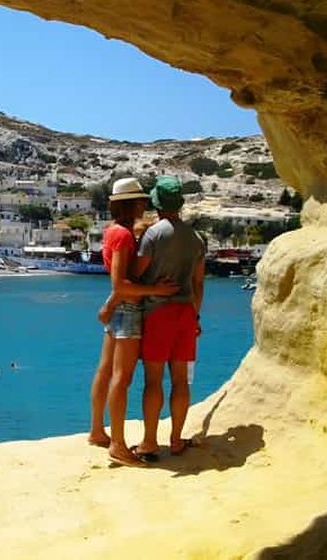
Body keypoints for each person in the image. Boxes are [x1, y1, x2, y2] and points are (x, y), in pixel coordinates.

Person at [89, 177, 179, 467]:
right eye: (141, 201)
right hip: (129, 309)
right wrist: (157, 290)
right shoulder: (124, 236)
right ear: (133, 204)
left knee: (105, 370)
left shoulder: (113, 231)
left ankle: (97, 431)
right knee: (122, 378)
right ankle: (117, 445)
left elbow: (118, 284)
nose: (144, 204)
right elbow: (120, 283)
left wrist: (108, 305)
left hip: (118, 307)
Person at [133, 176, 206, 460]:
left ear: (157, 204)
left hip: (158, 313)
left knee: (153, 380)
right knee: (180, 380)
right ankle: (176, 440)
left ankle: (150, 443)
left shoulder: (153, 235)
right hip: (186, 313)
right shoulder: (196, 238)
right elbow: (198, 283)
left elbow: (137, 272)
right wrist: (195, 315)